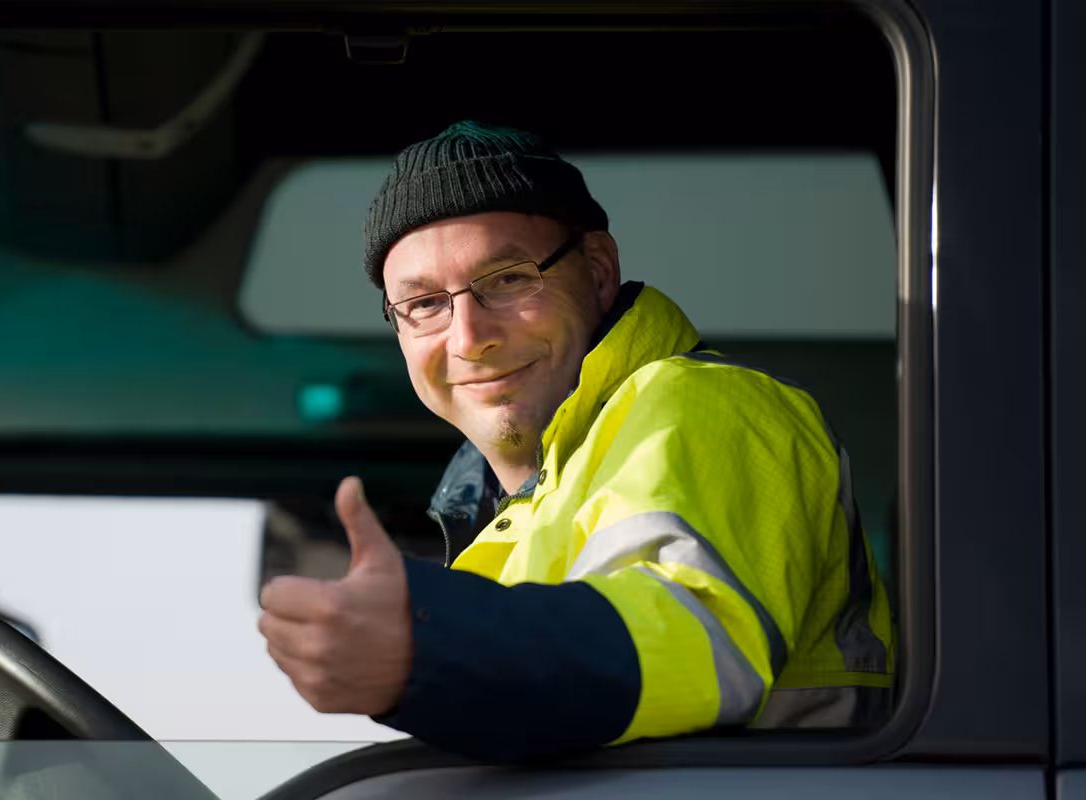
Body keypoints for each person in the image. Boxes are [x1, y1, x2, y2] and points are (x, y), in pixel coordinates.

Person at [257, 121, 895, 762]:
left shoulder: (699, 403)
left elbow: (693, 632)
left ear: (596, 272)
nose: (468, 336)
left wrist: (422, 642)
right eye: (423, 304)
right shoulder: (521, 506)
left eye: (508, 278)